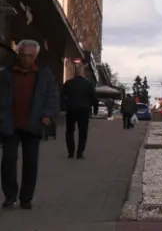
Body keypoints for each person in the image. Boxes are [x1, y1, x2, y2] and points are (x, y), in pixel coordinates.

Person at [1, 40, 61, 210]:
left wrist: (48, 114)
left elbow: (52, 96)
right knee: (8, 161)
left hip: (33, 122)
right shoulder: (6, 74)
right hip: (10, 123)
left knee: (30, 162)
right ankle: (10, 195)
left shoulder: (44, 75)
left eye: (30, 56)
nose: (26, 59)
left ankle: (26, 197)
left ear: (36, 56)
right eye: (24, 55)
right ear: (18, 54)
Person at [60, 70, 96, 159]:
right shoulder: (88, 84)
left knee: (69, 131)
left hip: (71, 109)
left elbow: (62, 95)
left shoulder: (68, 83)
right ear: (82, 74)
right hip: (84, 110)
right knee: (83, 132)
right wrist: (95, 109)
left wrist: (63, 107)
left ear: (74, 74)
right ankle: (80, 153)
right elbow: (93, 97)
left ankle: (71, 152)